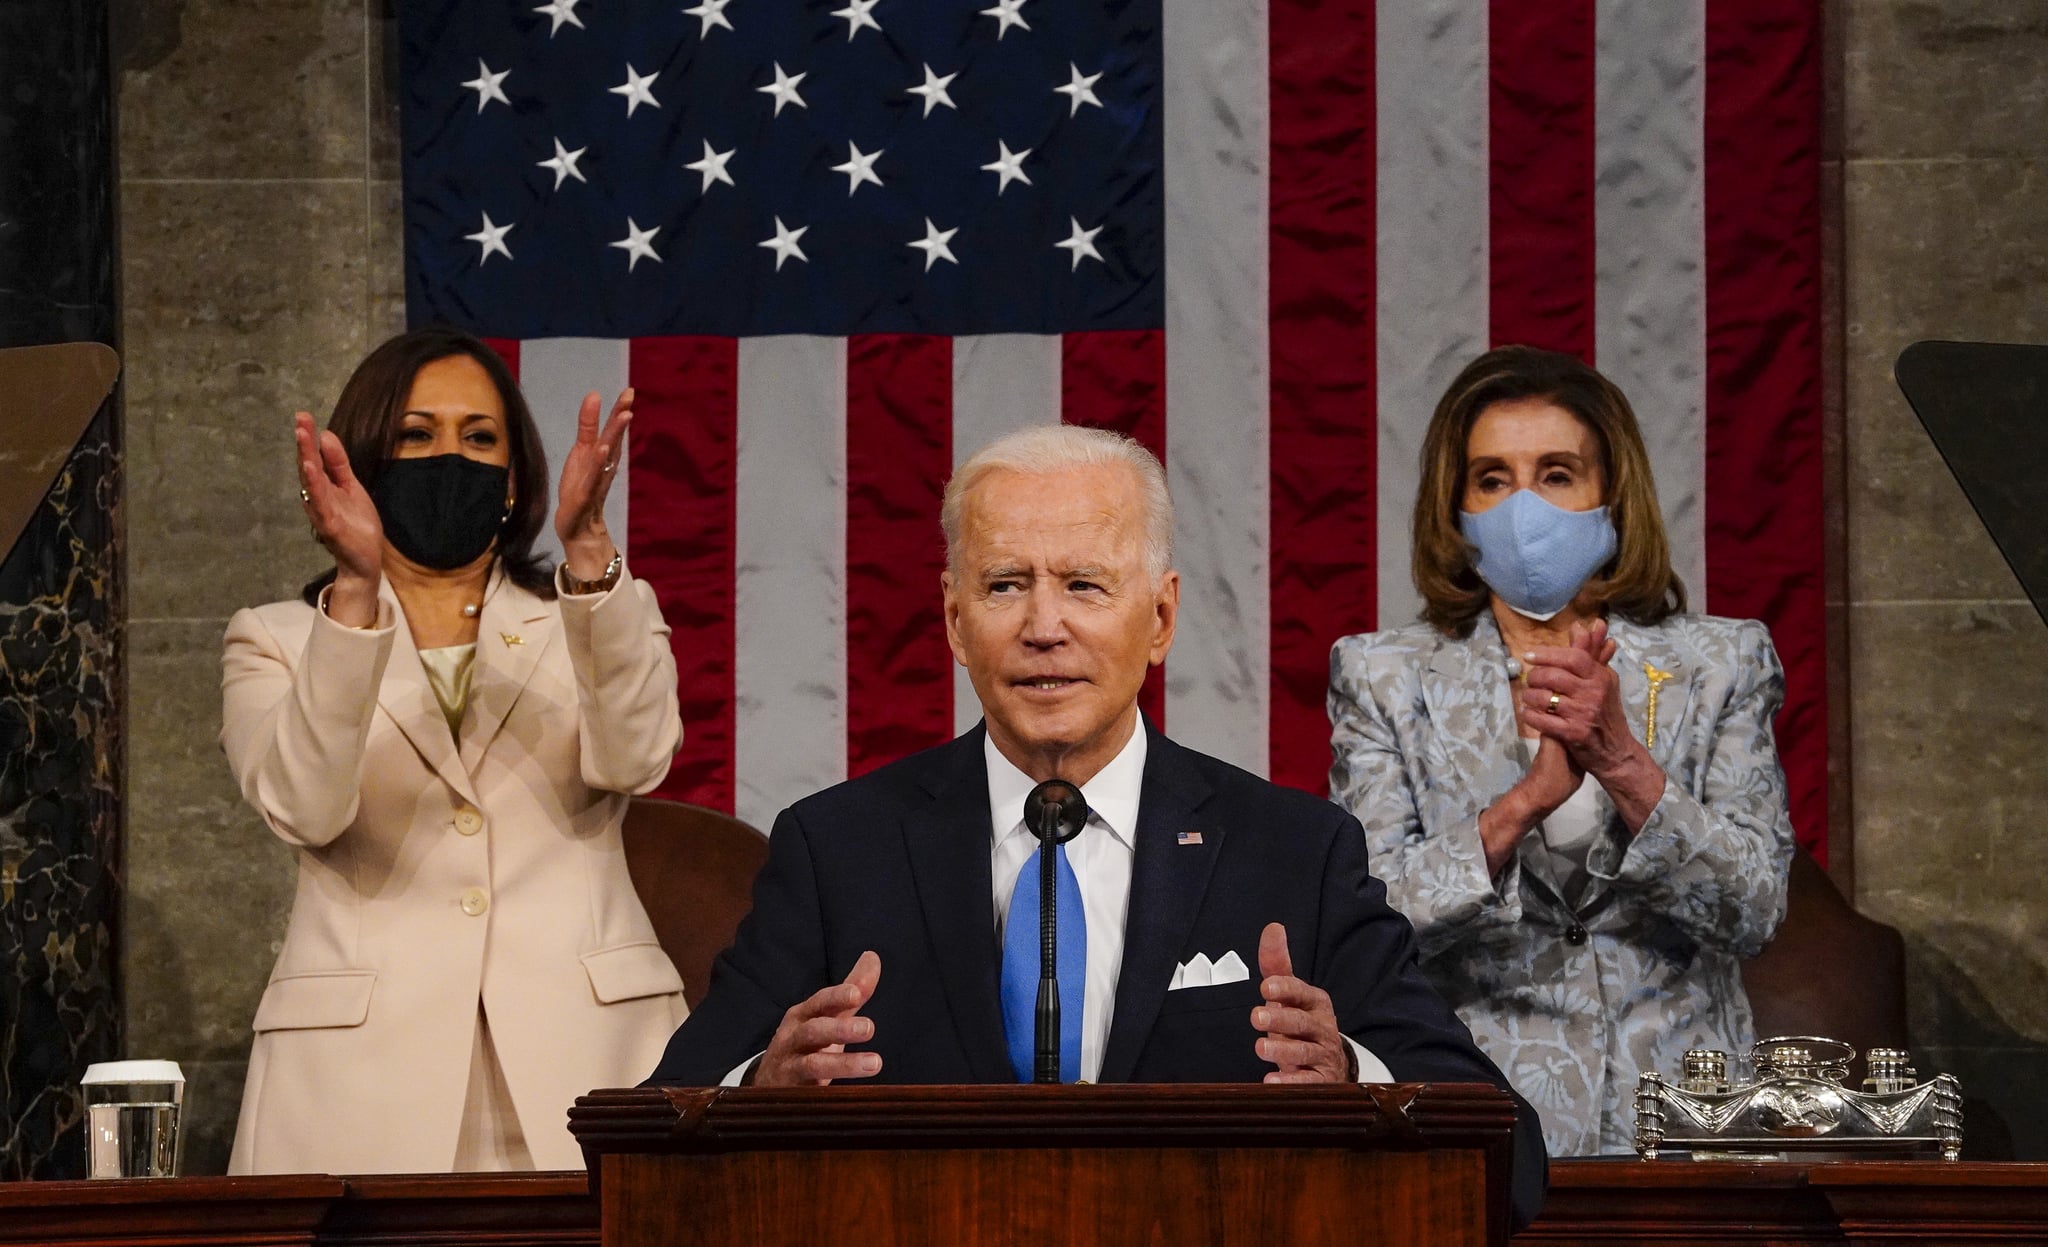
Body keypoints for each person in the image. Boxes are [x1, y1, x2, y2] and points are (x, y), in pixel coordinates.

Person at [647, 424, 1546, 1226]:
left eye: (1084, 584)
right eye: (1005, 585)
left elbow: (1509, 1158)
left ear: (1159, 617)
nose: (1045, 625)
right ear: (956, 621)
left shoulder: (1292, 852)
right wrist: (757, 1091)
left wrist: (1353, 1078)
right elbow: (651, 1136)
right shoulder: (838, 849)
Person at [221, 327, 685, 1173]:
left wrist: (588, 551)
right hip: (357, 1089)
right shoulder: (280, 640)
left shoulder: (600, 606)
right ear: (362, 464)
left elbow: (636, 760)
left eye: (478, 437)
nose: (449, 456)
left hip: (586, 1070)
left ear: (513, 480)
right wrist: (356, 593)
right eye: (416, 435)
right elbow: (306, 808)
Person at [1328, 345, 1797, 1156]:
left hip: (1685, 1132)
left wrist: (1625, 766)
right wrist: (1523, 804)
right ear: (1457, 507)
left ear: (1612, 492)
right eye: (1492, 479)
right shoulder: (1382, 675)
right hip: (1476, 1129)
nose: (1525, 509)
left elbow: (1754, 909)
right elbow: (1367, 922)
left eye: (1556, 473)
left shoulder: (1724, 664)